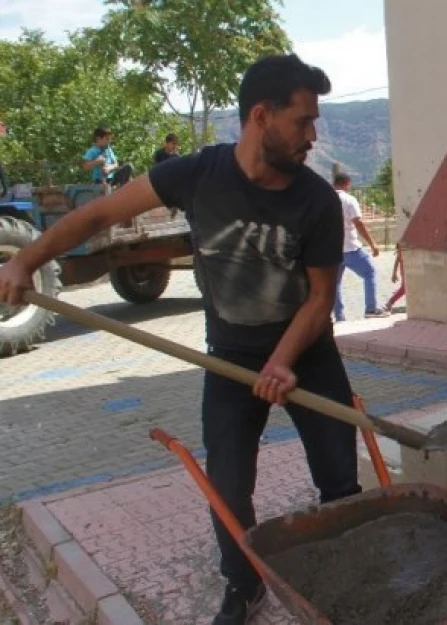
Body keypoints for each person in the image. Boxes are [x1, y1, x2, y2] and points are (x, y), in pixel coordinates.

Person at [0, 53, 363, 625]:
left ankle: (352, 581)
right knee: (228, 483)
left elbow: (320, 301)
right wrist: (25, 259)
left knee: (340, 478)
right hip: (230, 359)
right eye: (303, 121)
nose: (312, 137)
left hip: (306, 355)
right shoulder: (195, 174)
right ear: (261, 117)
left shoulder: (315, 201)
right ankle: (243, 586)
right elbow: (97, 217)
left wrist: (283, 362)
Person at [332, 172, 386, 320]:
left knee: (334, 283)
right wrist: (372, 244)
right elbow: (358, 223)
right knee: (370, 272)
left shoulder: (323, 200)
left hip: (331, 250)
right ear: (347, 183)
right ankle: (371, 308)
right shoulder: (349, 200)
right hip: (350, 248)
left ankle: (339, 316)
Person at [385, 243, 406, 313]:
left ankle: (395, 295)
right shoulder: (403, 247)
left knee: (406, 288)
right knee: (404, 288)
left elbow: (397, 260)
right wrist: (394, 273)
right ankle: (390, 302)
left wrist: (394, 273)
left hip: (409, 271)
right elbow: (397, 260)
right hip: (405, 272)